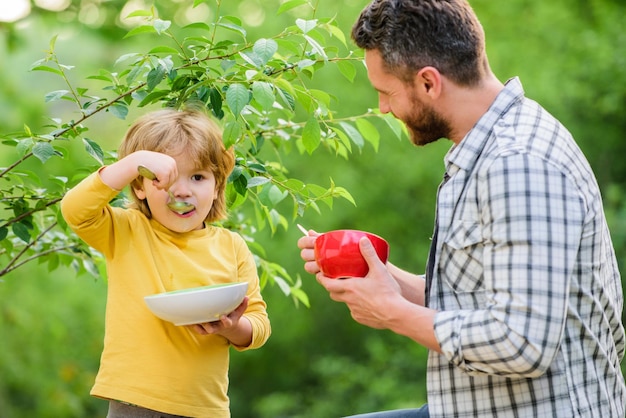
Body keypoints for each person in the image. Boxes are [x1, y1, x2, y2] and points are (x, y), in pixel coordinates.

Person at [297, 1, 625, 417]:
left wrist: (393, 313)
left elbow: (521, 342)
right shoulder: (483, 148)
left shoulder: (517, 163)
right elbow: (477, 299)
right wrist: (380, 279)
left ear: (429, 83)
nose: (382, 108)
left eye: (385, 92)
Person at [61, 107, 271, 417]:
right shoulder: (125, 230)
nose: (182, 191)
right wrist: (133, 163)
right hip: (135, 403)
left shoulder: (232, 246)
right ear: (139, 186)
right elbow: (75, 209)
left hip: (207, 409)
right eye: (164, 179)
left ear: (216, 188)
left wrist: (231, 327)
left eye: (198, 177)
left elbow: (259, 325)